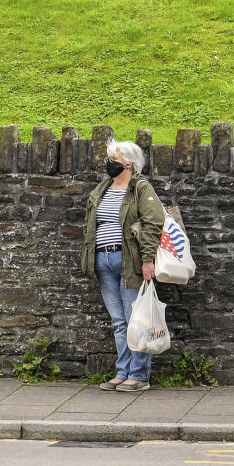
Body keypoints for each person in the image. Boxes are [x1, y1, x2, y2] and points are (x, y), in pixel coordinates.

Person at [81, 139, 165, 392]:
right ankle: (123, 372)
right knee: (119, 321)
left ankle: (139, 376)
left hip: (129, 261)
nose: (109, 163)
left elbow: (153, 223)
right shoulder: (103, 187)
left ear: (128, 164)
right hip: (103, 260)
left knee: (135, 320)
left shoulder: (140, 187)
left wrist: (148, 260)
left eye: (114, 160)